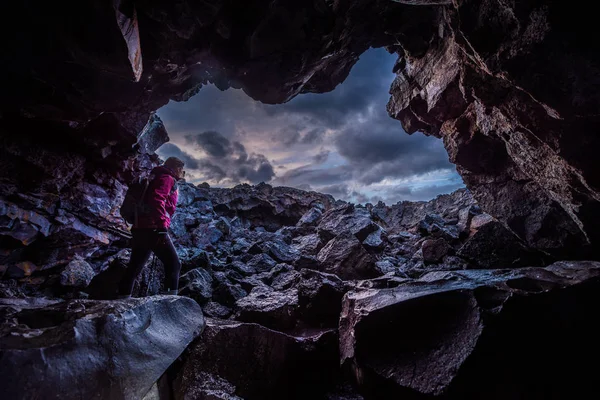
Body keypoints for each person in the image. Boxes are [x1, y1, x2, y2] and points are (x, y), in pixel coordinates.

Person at [117, 157, 185, 298]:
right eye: (182, 170)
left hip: (140, 228)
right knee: (174, 264)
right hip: (153, 228)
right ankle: (170, 303)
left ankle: (121, 301)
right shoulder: (168, 178)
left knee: (135, 267)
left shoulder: (156, 176)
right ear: (176, 168)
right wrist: (161, 226)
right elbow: (157, 199)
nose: (182, 173)